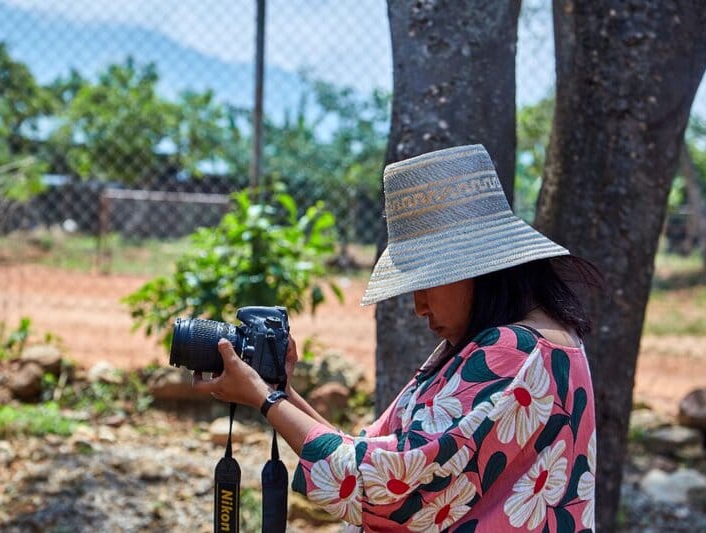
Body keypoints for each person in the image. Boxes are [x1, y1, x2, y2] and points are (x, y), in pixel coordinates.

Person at [193, 144, 600, 532]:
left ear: (471, 267)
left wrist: (266, 401)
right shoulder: (531, 342)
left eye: (425, 283)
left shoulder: (511, 351)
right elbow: (373, 457)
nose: (419, 306)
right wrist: (279, 393)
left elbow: (386, 489)